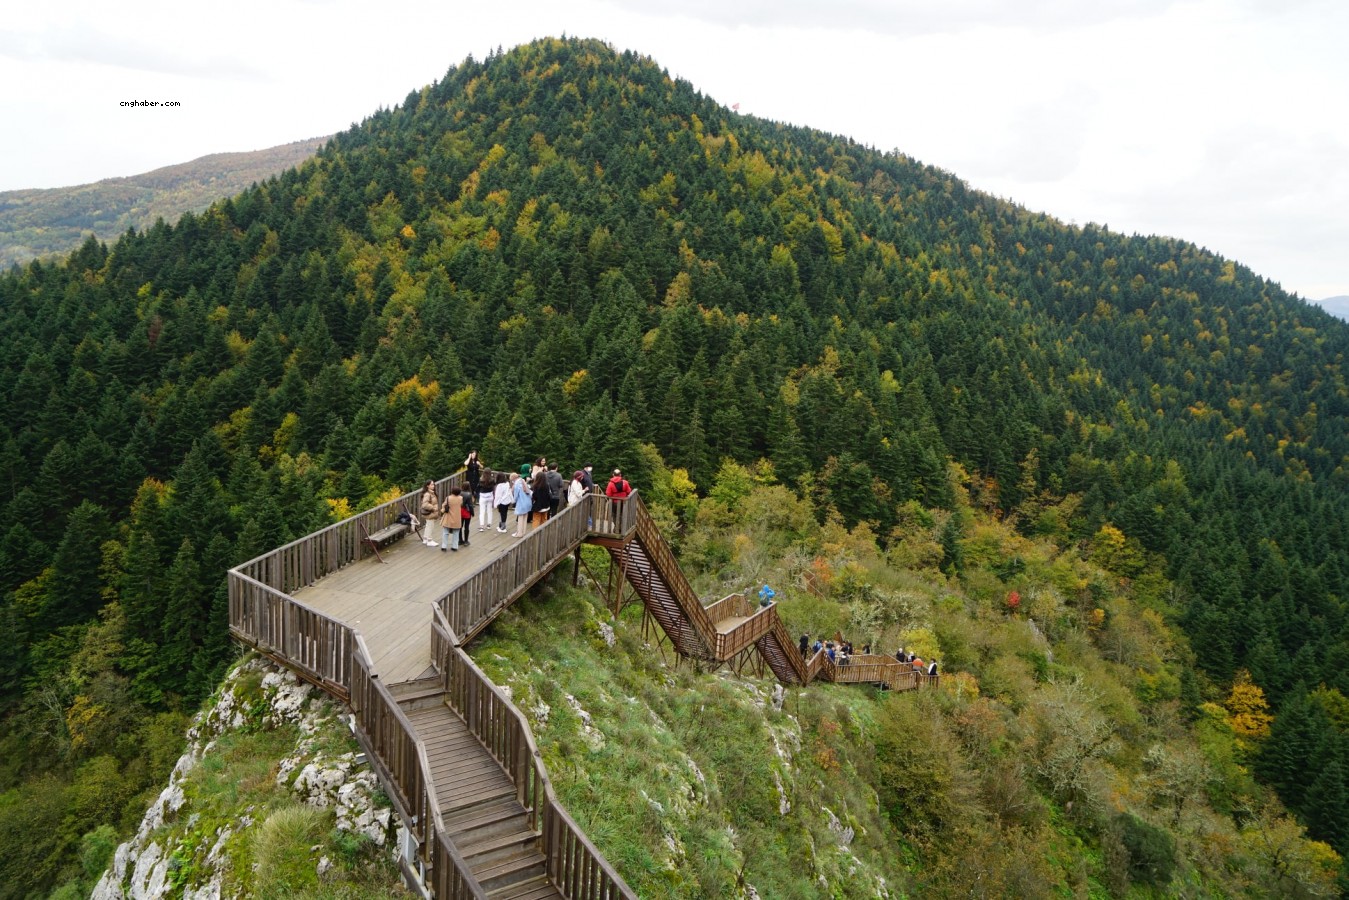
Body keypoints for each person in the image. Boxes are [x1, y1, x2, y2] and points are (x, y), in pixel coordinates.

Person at [511, 472, 533, 537]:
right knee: (525, 517)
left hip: (521, 502)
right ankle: (523, 532)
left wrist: (513, 501)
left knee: (520, 518)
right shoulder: (523, 481)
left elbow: (516, 495)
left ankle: (519, 533)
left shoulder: (517, 484)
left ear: (513, 479)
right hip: (528, 502)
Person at [419, 480, 440, 547]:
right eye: (431, 484)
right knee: (430, 526)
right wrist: (433, 508)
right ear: (427, 485)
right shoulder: (428, 494)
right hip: (430, 513)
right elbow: (424, 504)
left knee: (428, 525)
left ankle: (425, 539)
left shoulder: (431, 493)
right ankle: (429, 540)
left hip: (430, 513)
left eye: (433, 484)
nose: (433, 486)